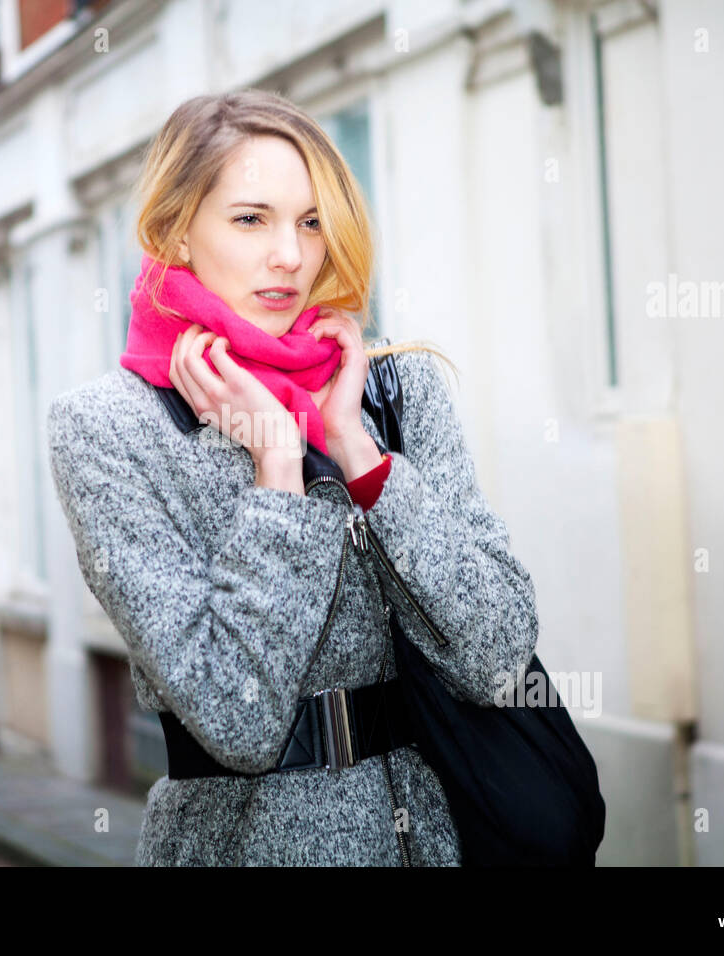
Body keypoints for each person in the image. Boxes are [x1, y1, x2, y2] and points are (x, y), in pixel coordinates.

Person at [47, 88, 539, 866]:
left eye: (312, 222)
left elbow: (498, 652)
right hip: (236, 844)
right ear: (176, 231)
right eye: (251, 219)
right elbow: (233, 717)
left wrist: (357, 451)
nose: (291, 255)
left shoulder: (395, 394)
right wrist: (277, 474)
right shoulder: (110, 428)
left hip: (432, 839)